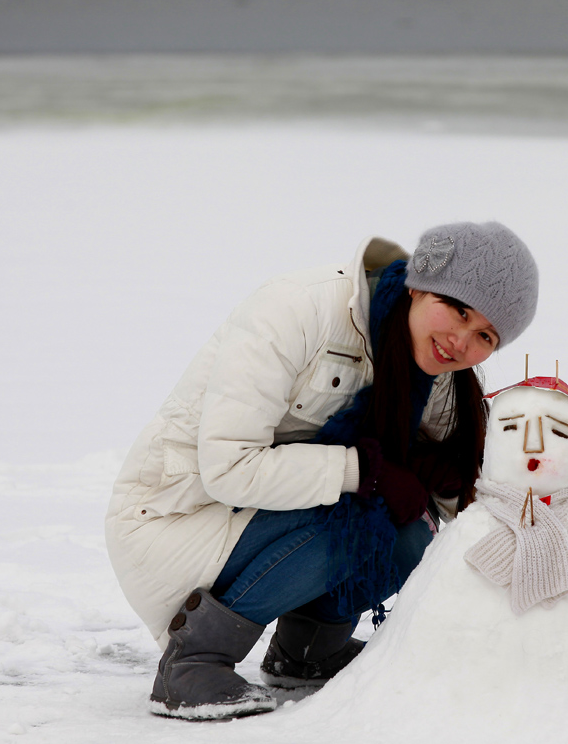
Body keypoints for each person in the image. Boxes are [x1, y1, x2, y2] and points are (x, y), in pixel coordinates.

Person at [104, 222, 539, 720]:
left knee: (411, 535)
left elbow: (465, 497)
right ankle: (192, 664)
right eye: (457, 309)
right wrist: (364, 472)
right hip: (175, 517)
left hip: (262, 518)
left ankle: (308, 653)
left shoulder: (434, 373)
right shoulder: (299, 308)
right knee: (357, 517)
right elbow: (229, 467)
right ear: (419, 283)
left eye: (484, 334)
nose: (460, 342)